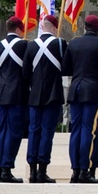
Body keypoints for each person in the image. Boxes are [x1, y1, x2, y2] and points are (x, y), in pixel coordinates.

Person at [63, 13, 98, 183]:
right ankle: (85, 170)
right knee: (89, 131)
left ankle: (75, 170)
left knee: (75, 130)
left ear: (85, 27)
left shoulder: (74, 42)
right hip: (93, 91)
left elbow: (66, 69)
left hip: (76, 90)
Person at [26, 14, 67, 184]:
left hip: (35, 93)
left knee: (33, 131)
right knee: (47, 133)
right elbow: (65, 68)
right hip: (53, 93)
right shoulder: (60, 43)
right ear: (55, 27)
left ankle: (32, 171)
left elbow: (26, 72)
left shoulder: (31, 45)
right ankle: (42, 170)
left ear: (42, 26)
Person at [0, 17, 30, 184]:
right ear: (20, 29)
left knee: (0, 132)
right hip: (17, 93)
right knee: (13, 133)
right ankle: (6, 168)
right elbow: (27, 71)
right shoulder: (24, 45)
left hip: (0, 93)